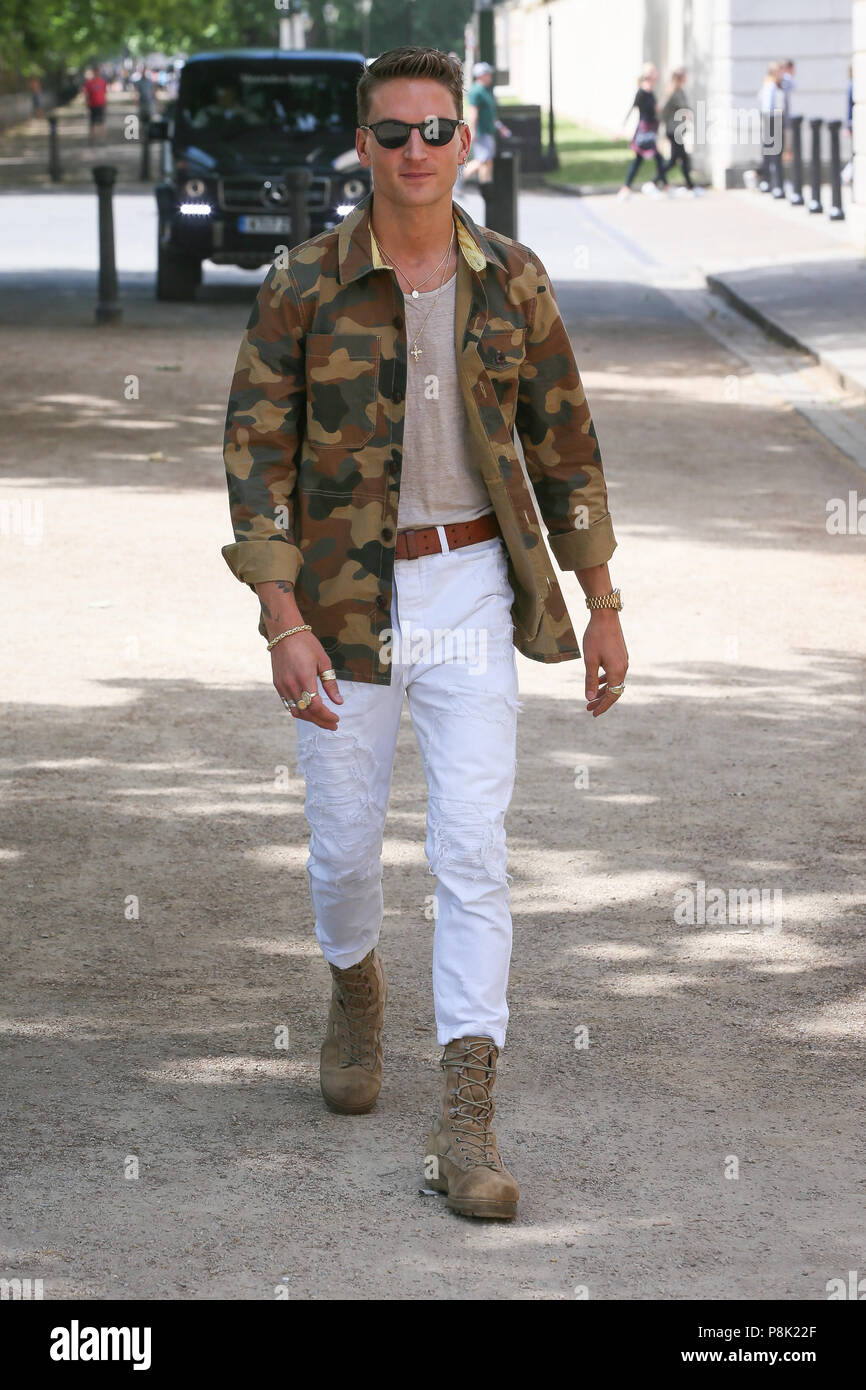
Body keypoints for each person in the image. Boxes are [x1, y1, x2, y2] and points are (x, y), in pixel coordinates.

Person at [221, 45, 627, 1222]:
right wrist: (280, 616)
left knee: (470, 844)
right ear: (363, 145)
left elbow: (567, 446)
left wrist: (602, 600)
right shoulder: (302, 284)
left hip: (468, 589)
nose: (413, 150)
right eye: (391, 132)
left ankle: (466, 1114)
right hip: (343, 602)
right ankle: (353, 980)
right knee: (345, 844)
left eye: (434, 129)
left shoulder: (512, 279)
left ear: (466, 142)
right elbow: (255, 459)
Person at [617, 62, 669, 199]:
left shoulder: (651, 91)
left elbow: (654, 110)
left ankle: (627, 188)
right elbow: (632, 109)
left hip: (651, 128)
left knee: (642, 160)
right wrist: (620, 130)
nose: (657, 75)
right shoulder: (642, 92)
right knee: (657, 158)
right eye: (654, 72)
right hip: (645, 131)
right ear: (649, 75)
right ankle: (659, 185)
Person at [462, 60, 511, 185]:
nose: (490, 76)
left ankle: (486, 186)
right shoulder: (476, 91)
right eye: (487, 73)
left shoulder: (485, 91)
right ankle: (458, 182)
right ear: (481, 75)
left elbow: (490, 115)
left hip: (488, 132)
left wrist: (500, 127)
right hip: (481, 132)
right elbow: (472, 113)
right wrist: (472, 132)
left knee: (487, 161)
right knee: (481, 160)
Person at [658, 67, 704, 196]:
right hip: (673, 130)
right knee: (679, 159)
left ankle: (690, 186)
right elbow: (662, 110)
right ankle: (655, 180)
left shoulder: (679, 90)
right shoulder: (672, 91)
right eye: (684, 76)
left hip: (677, 129)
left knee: (681, 159)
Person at [757, 62, 785, 196]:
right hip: (772, 120)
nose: (783, 74)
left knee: (770, 153)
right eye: (780, 71)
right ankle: (772, 182)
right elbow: (768, 107)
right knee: (773, 153)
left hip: (771, 120)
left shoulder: (773, 85)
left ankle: (770, 182)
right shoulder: (771, 86)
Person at [83, 65, 108, 144]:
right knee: (92, 123)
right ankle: (92, 139)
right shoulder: (89, 83)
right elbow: (87, 94)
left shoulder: (102, 81)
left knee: (101, 122)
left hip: (101, 104)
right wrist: (87, 104)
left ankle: (102, 139)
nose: (96, 73)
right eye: (95, 72)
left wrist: (106, 103)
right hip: (92, 105)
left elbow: (105, 93)